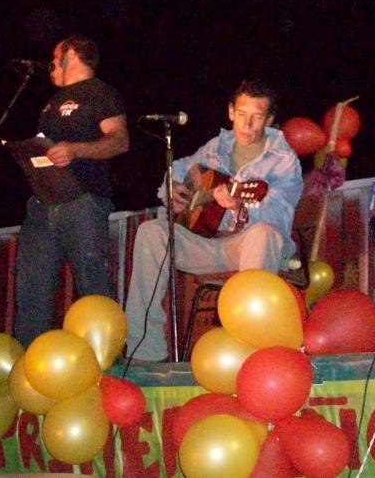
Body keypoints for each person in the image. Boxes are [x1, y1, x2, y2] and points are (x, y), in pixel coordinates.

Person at [125, 79, 303, 362]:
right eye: (242, 114)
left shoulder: (283, 160)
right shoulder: (216, 147)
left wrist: (239, 208)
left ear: (269, 119)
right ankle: (144, 351)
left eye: (257, 117)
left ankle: (251, 347)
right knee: (152, 232)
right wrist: (174, 190)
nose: (247, 124)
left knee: (264, 234)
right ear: (231, 112)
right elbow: (180, 168)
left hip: (250, 246)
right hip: (207, 243)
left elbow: (279, 218)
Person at [13, 35, 129, 346]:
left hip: (82, 200)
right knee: (32, 287)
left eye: (56, 56)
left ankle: (107, 358)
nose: (51, 64)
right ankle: (29, 359)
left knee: (92, 282)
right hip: (43, 202)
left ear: (72, 55)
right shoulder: (51, 102)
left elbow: (120, 140)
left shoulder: (100, 92)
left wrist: (75, 150)